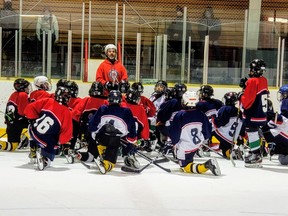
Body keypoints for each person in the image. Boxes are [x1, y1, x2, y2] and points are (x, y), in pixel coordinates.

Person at [77, 90, 137, 174]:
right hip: (115, 139)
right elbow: (132, 128)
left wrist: (92, 132)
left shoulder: (103, 108)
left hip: (101, 137)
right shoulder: (126, 111)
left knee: (94, 150)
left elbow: (92, 125)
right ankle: (107, 164)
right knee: (112, 153)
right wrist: (132, 139)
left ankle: (84, 155)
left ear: (109, 99)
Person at [169, 90, 221, 176]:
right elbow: (207, 131)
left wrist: (174, 143)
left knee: (185, 167)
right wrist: (201, 139)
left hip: (184, 147)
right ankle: (191, 162)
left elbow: (175, 133)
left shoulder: (180, 115)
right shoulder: (201, 114)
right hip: (197, 144)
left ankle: (207, 165)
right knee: (188, 160)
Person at [24, 86, 73, 170]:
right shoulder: (66, 111)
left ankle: (33, 146)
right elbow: (66, 131)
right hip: (46, 140)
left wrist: (32, 119)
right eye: (66, 95)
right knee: (53, 146)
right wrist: (62, 143)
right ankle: (45, 159)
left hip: (33, 131)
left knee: (32, 125)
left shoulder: (47, 100)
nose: (67, 97)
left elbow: (30, 108)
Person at [238, 59, 268, 168]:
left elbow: (247, 101)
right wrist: (246, 86)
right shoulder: (264, 80)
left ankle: (256, 155)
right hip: (261, 113)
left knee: (252, 132)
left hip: (253, 113)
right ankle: (256, 152)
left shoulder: (252, 81)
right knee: (254, 131)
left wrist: (241, 95)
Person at [0, 78, 30, 151]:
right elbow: (23, 112)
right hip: (17, 122)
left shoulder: (14, 94)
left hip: (11, 123)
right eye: (27, 87)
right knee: (14, 146)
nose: (28, 89)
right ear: (23, 88)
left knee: (12, 144)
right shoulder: (23, 95)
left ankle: (23, 140)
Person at [261, 84, 288, 165]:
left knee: (264, 130)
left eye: (283, 94)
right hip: (285, 129)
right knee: (283, 159)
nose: (281, 96)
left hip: (285, 130)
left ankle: (260, 151)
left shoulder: (286, 102)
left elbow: (283, 119)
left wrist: (269, 124)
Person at [212, 92, 243, 159]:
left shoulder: (225, 109)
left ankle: (205, 144)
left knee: (210, 129)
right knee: (225, 153)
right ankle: (233, 152)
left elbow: (219, 123)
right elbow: (241, 128)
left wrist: (213, 119)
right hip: (232, 140)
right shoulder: (239, 111)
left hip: (224, 136)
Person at [157, 83, 187, 150]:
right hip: (187, 129)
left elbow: (161, 117)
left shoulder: (172, 102)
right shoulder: (187, 101)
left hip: (171, 129)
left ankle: (167, 142)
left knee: (160, 123)